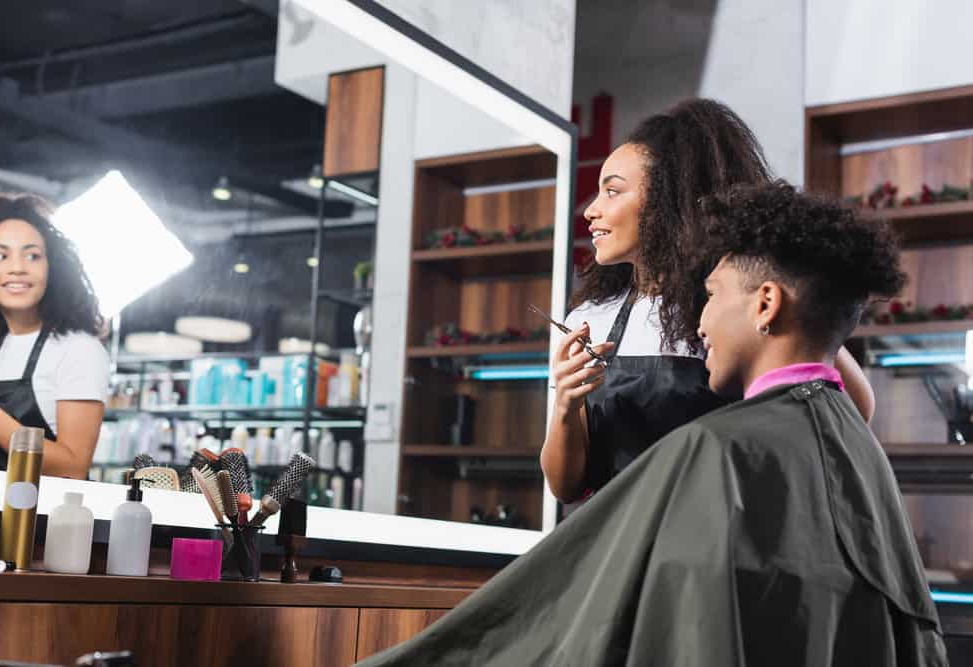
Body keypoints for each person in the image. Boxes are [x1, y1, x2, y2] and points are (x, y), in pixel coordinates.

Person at [356, 183, 946, 666]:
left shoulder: (713, 451)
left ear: (766, 304)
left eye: (710, 296)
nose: (701, 321)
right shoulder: (853, 442)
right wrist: (566, 405)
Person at [542, 99, 875, 503]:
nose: (591, 211)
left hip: (715, 540)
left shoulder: (733, 308)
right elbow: (565, 487)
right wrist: (565, 404)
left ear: (669, 201)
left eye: (612, 192)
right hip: (615, 544)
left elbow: (852, 410)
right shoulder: (589, 319)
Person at [0, 193, 109, 478]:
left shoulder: (78, 350)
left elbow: (73, 467)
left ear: (53, 267)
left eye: (32, 255)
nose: (17, 268)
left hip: (38, 520)